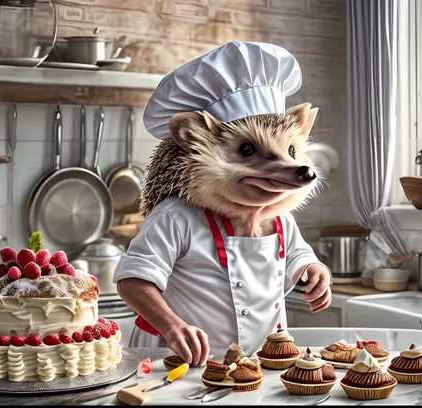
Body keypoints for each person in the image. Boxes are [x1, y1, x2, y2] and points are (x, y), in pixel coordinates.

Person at [114, 41, 332, 366]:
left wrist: (314, 270)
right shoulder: (177, 217)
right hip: (178, 362)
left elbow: (298, 255)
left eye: (289, 153)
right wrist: (172, 326)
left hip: (260, 361)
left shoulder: (281, 219)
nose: (290, 169)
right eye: (247, 151)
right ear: (193, 140)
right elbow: (132, 280)